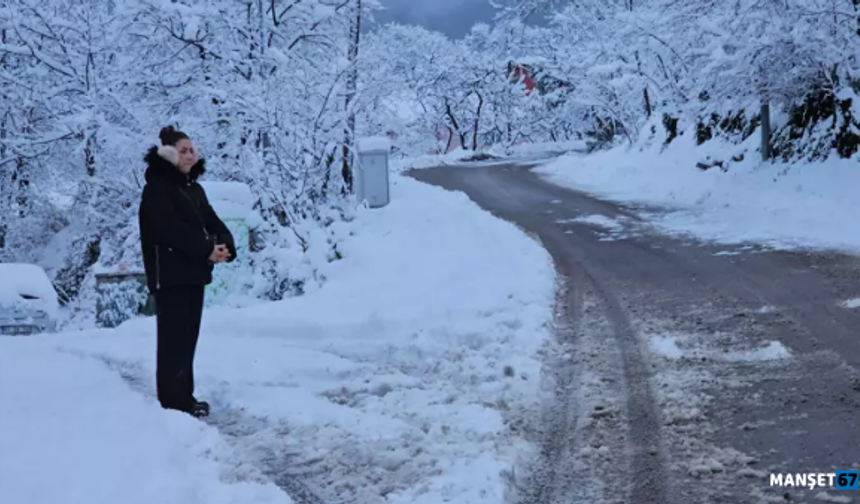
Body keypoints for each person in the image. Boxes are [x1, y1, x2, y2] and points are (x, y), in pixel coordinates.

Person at [138, 126, 237, 418]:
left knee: (188, 338)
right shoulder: (157, 187)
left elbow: (212, 222)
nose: (190, 154)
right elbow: (169, 229)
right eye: (183, 150)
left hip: (193, 273)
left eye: (192, 149)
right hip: (169, 275)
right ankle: (173, 401)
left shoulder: (194, 190)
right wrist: (206, 248)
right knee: (173, 340)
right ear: (167, 154)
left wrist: (223, 246)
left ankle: (184, 396)